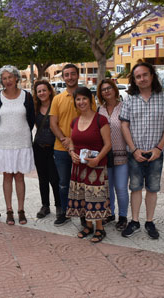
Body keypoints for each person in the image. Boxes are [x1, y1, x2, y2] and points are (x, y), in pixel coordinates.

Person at [120, 62, 164, 239]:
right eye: (138, 76)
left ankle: (149, 221)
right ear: (134, 80)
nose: (142, 79)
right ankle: (134, 221)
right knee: (135, 188)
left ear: (152, 76)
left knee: (152, 189)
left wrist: (159, 148)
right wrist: (134, 149)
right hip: (135, 153)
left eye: (145, 75)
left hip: (156, 153)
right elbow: (124, 126)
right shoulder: (129, 99)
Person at [50, 64, 97, 227]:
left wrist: (75, 142)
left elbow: (93, 119)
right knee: (63, 183)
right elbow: (53, 123)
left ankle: (84, 215)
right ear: (63, 77)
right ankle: (65, 212)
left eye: (72, 74)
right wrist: (64, 139)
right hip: (61, 148)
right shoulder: (57, 99)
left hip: (83, 150)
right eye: (66, 75)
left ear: (78, 75)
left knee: (83, 184)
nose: (70, 77)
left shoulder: (86, 96)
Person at [0, 65, 35, 225]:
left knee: (19, 176)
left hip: (22, 143)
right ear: (1, 81)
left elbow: (31, 120)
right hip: (3, 144)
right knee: (7, 176)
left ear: (16, 77)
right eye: (4, 78)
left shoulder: (27, 96)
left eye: (10, 77)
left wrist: (20, 132)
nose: (8, 80)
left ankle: (21, 210)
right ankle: (9, 210)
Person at [67, 87, 111, 243]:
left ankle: (100, 229)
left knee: (96, 197)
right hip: (79, 167)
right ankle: (88, 226)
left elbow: (108, 144)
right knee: (82, 197)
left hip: (96, 167)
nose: (81, 102)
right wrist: (71, 153)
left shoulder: (101, 120)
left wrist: (97, 159)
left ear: (91, 100)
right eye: (78, 99)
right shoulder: (75, 121)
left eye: (84, 98)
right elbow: (72, 141)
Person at [97, 79, 129, 231]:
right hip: (106, 156)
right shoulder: (99, 110)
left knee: (121, 188)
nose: (107, 91)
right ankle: (110, 213)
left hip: (122, 155)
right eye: (103, 89)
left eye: (109, 88)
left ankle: (123, 217)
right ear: (100, 93)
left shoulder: (124, 107)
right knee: (108, 188)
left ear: (115, 90)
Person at [32, 80, 61, 219]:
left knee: (55, 179)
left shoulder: (56, 106)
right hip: (38, 147)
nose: (42, 93)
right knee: (42, 178)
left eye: (44, 90)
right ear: (36, 94)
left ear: (50, 91)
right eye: (39, 91)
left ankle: (59, 206)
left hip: (54, 148)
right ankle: (45, 206)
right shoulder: (35, 108)